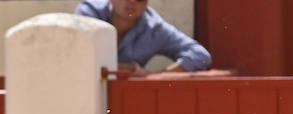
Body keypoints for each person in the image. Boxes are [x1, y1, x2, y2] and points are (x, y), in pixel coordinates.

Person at [75, 0, 211, 74]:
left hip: (125, 100)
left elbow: (200, 55)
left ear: (147, 2)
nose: (132, 2)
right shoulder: (89, 12)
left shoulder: (154, 28)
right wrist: (129, 69)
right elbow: (81, 59)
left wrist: (158, 76)